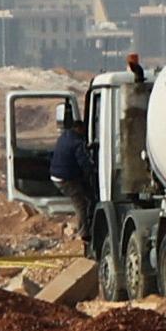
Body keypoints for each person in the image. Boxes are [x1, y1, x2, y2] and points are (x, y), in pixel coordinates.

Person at [48, 105, 98, 251]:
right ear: (80, 129)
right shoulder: (77, 143)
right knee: (82, 203)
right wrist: (93, 171)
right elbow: (84, 163)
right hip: (65, 179)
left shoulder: (65, 136)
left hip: (58, 175)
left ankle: (88, 226)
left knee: (87, 195)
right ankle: (85, 234)